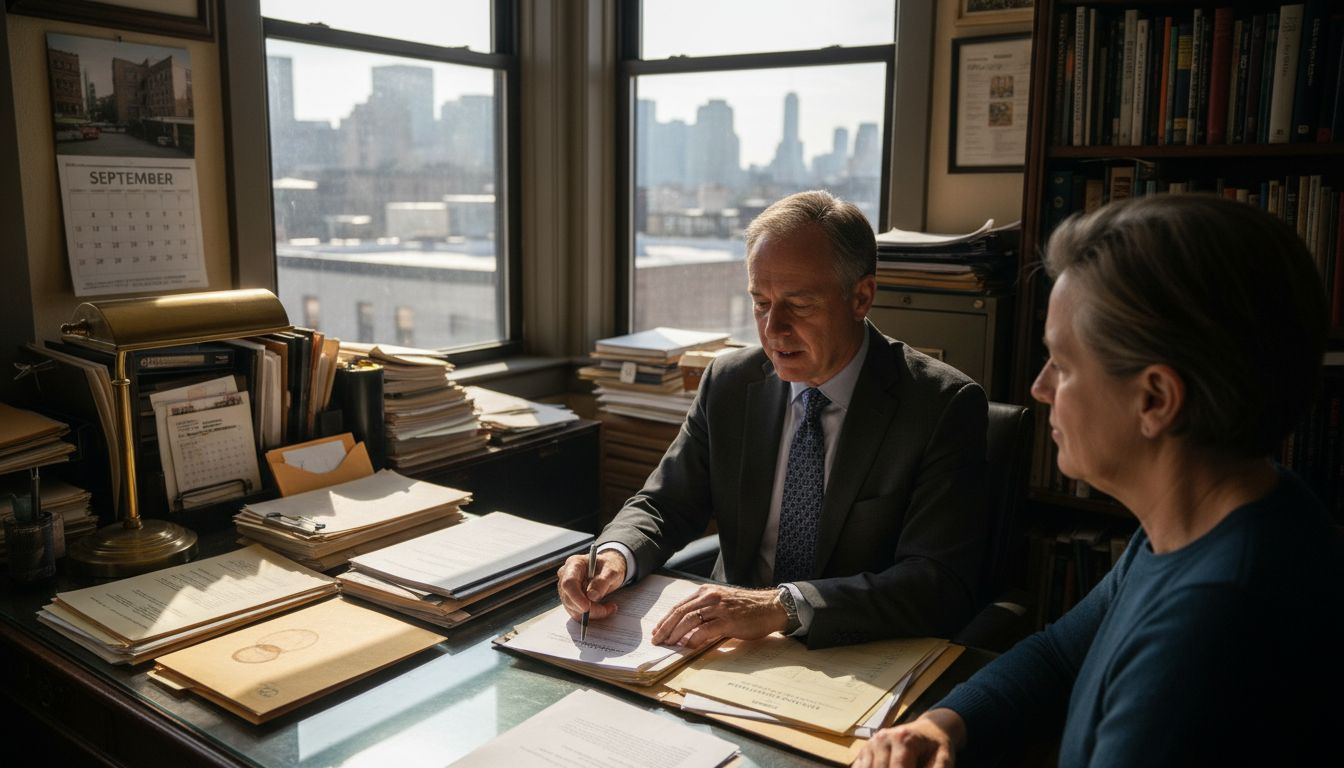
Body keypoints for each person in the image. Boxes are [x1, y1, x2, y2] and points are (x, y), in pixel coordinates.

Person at [855, 194, 1344, 767]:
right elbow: (1060, 655)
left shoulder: (1213, 625)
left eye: (1061, 365)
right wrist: (941, 725)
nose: (1038, 388)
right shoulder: (1211, 515)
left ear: (1155, 398)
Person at [557, 190, 989, 650]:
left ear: (861, 297)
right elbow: (665, 504)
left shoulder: (941, 406)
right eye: (760, 302)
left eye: (799, 305)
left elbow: (935, 582)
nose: (773, 329)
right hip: (726, 649)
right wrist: (614, 554)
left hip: (857, 654)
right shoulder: (729, 382)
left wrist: (782, 606)